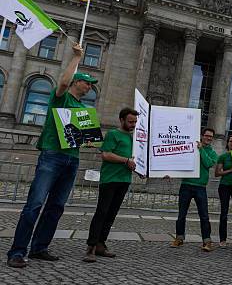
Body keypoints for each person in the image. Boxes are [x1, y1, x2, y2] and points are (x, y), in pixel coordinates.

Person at [7, 43, 96, 268]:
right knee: (35, 204)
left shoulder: (82, 109)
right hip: (52, 155)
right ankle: (17, 251)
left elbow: (80, 135)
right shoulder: (62, 98)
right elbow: (63, 82)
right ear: (78, 82)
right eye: (87, 82)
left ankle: (39, 248)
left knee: (56, 206)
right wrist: (77, 57)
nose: (90, 87)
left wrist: (87, 139)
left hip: (71, 158)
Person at [83, 108, 139, 262]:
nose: (133, 124)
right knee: (101, 213)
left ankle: (101, 244)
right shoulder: (113, 134)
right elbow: (106, 154)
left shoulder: (134, 139)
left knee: (111, 214)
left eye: (135, 121)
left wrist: (140, 169)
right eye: (130, 121)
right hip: (110, 179)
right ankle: (91, 247)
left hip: (124, 180)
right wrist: (126, 160)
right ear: (121, 120)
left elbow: (134, 160)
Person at [170, 128, 218, 251]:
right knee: (181, 214)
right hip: (186, 184)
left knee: (204, 216)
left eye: (211, 136)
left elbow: (208, 164)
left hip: (200, 187)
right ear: (202, 136)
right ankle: (179, 238)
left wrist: (201, 149)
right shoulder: (190, 148)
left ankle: (207, 241)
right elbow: (179, 159)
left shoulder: (212, 152)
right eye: (207, 135)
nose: (209, 138)